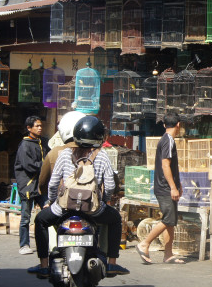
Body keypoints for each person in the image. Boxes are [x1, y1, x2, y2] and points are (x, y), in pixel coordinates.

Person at [28, 116, 129, 278]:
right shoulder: (102, 156)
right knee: (115, 219)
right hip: (93, 210)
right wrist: (102, 202)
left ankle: (44, 264)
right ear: (99, 137)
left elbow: (53, 184)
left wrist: (53, 201)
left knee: (40, 220)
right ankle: (112, 263)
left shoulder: (64, 153)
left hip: (64, 208)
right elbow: (110, 186)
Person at [136, 113, 185, 264]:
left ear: (164, 125)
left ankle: (168, 254)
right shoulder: (168, 141)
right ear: (178, 124)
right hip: (165, 187)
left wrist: (178, 185)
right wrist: (172, 187)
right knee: (168, 219)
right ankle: (145, 243)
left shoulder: (165, 139)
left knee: (171, 220)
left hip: (166, 186)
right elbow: (165, 165)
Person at [14, 115, 49, 255]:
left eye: (41, 125)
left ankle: (49, 243)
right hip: (28, 185)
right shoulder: (25, 145)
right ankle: (24, 245)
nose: (40, 128)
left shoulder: (42, 142)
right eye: (37, 126)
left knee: (48, 213)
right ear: (29, 128)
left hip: (40, 185)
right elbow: (29, 166)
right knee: (25, 218)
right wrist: (45, 165)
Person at [38, 110, 85, 198]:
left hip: (62, 205)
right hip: (93, 207)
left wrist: (51, 201)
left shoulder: (55, 153)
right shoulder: (98, 153)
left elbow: (44, 183)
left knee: (42, 213)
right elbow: (112, 185)